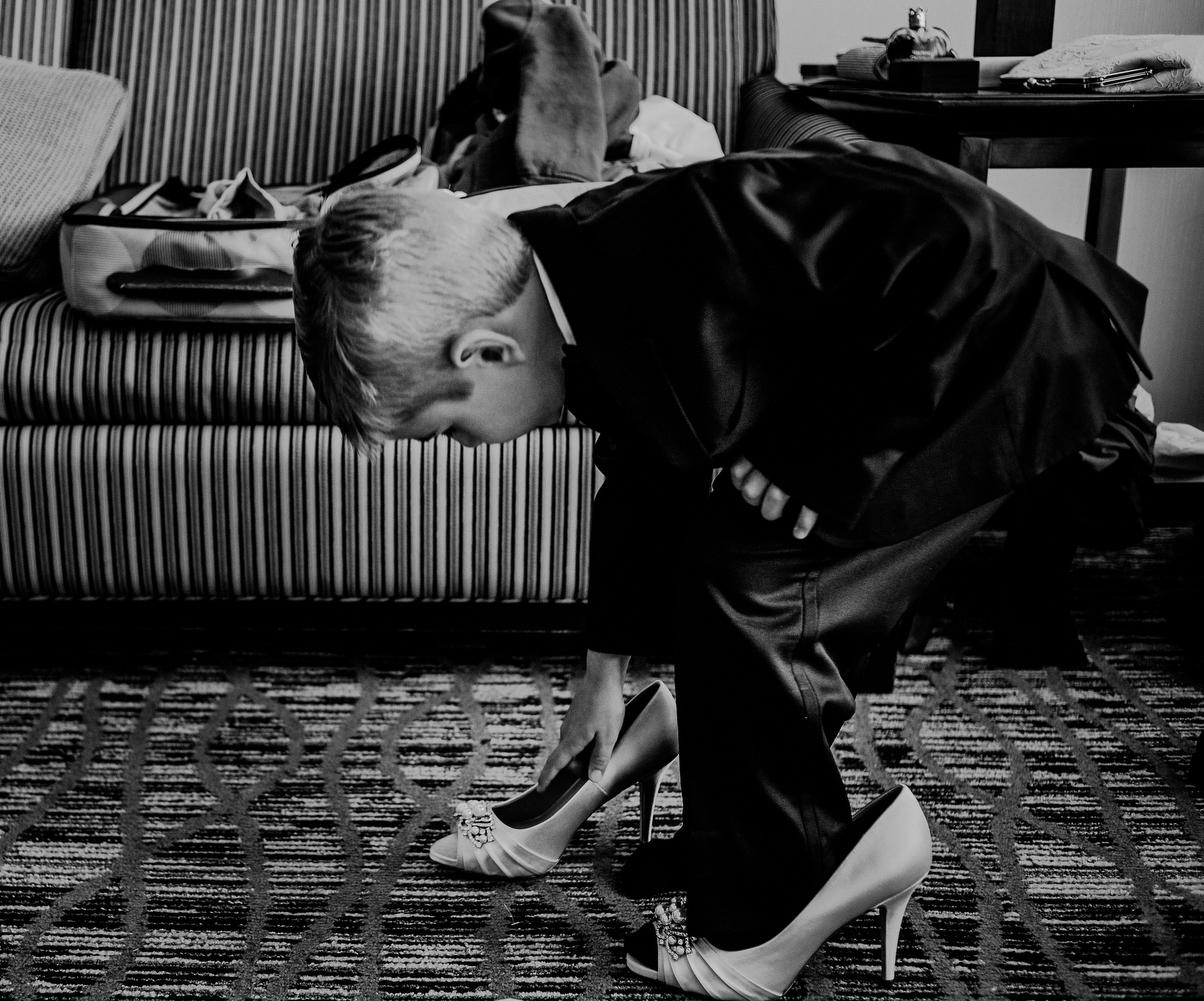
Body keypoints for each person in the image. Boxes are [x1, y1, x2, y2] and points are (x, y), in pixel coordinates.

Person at [291, 138, 1148, 996]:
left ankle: (770, 908)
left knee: (751, 580)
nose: (464, 450)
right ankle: (750, 834)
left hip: (1024, 351)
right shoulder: (567, 290)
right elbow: (647, 469)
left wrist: (831, 461)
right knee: (732, 561)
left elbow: (951, 243)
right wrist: (602, 671)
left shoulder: (691, 232)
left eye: (448, 429)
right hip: (937, 367)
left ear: (485, 353)